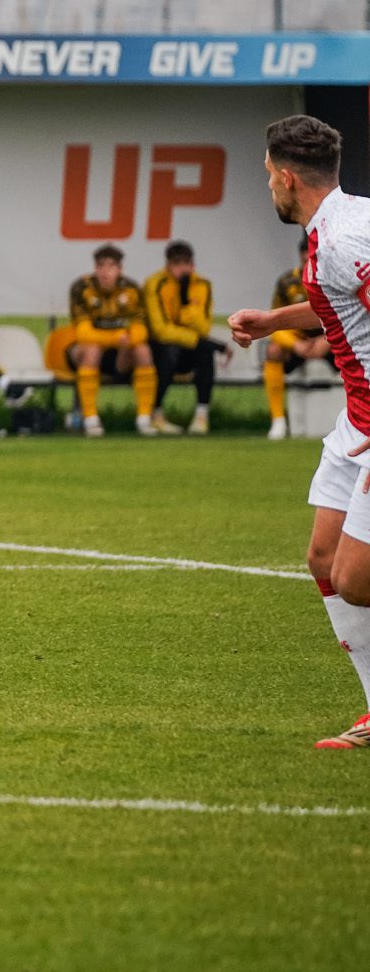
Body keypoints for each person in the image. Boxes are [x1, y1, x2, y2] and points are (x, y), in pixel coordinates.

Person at [227, 114, 370, 749]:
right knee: (321, 559)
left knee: (357, 580)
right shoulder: (339, 227)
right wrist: (271, 322)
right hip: (355, 421)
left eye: (267, 178)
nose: (268, 189)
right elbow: (336, 299)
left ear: (287, 178)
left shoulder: (344, 242)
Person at [68, 245, 161, 437]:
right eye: (101, 266)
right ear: (95, 268)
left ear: (119, 269)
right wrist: (116, 338)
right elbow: (83, 333)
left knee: (143, 350)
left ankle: (144, 418)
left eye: (110, 267)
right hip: (88, 352)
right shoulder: (82, 288)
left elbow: (141, 329)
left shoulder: (132, 289)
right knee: (92, 349)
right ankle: (91, 419)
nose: (105, 272)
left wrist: (128, 341)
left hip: (121, 353)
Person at [142, 240, 225, 436]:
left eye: (185, 263)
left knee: (205, 353)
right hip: (160, 348)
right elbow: (161, 330)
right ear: (168, 265)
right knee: (170, 349)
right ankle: (157, 413)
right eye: (176, 264)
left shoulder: (202, 285)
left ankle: (201, 415)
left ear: (192, 265)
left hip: (188, 347)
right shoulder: (155, 284)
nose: (181, 269)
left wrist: (186, 300)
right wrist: (200, 341)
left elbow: (203, 327)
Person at [263, 236, 327, 441]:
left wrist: (329, 341)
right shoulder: (287, 282)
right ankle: (278, 421)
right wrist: (296, 344)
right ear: (301, 257)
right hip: (300, 340)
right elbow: (274, 321)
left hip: (332, 339)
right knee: (273, 350)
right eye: (307, 257)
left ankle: (362, 420)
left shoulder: (335, 278)